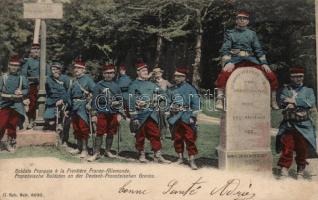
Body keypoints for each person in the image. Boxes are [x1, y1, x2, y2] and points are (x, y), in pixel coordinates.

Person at [215, 10, 279, 110]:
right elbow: (225, 49)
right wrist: (228, 62)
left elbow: (258, 49)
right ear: (236, 20)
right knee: (224, 74)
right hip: (236, 60)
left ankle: (273, 100)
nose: (242, 20)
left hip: (251, 60)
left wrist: (264, 63)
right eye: (239, 18)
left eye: (244, 19)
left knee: (270, 74)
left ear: (248, 21)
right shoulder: (230, 33)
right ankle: (219, 99)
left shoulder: (252, 34)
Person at [276, 67, 317, 179]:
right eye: (295, 76)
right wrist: (290, 103)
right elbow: (282, 101)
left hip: (304, 125)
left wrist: (294, 101)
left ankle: (301, 169)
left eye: (300, 76)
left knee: (302, 147)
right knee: (287, 146)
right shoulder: (286, 90)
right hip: (289, 124)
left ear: (303, 77)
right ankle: (284, 168)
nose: (298, 79)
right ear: (291, 78)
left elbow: (311, 102)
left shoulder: (309, 90)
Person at [128, 62, 171, 163]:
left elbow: (164, 94)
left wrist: (157, 99)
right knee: (140, 135)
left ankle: (158, 154)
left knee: (155, 134)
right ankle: (141, 154)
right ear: (138, 72)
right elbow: (130, 100)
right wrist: (133, 115)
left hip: (151, 114)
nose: (145, 72)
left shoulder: (152, 84)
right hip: (140, 115)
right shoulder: (133, 85)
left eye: (146, 71)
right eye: (143, 71)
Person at [87, 64, 123, 161]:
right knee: (100, 132)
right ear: (103, 74)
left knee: (111, 132)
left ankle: (107, 151)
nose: (109, 75)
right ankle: (96, 152)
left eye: (111, 73)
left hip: (113, 112)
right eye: (106, 73)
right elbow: (94, 101)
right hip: (101, 112)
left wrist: (119, 113)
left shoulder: (116, 86)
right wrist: (94, 114)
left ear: (114, 74)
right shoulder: (99, 85)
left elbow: (120, 100)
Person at [167, 67, 200, 170]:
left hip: (187, 117)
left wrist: (193, 116)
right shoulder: (172, 89)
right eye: (175, 76)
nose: (175, 78)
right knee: (177, 138)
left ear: (184, 77)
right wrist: (171, 108)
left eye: (178, 76)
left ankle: (191, 160)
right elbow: (167, 102)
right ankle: (180, 158)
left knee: (190, 139)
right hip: (175, 118)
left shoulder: (191, 89)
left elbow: (196, 104)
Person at [68, 58, 95, 159]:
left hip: (83, 106)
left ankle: (85, 149)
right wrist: (68, 106)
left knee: (83, 128)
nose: (76, 70)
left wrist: (90, 100)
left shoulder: (88, 80)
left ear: (83, 69)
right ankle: (79, 148)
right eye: (75, 68)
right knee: (76, 128)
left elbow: (95, 92)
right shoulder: (74, 81)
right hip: (74, 107)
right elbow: (69, 95)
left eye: (79, 68)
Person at [0, 55, 29, 152]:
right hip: (4, 103)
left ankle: (11, 142)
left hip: (16, 105)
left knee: (12, 124)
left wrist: (22, 92)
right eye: (12, 65)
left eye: (16, 66)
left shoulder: (21, 78)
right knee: (1, 123)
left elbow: (26, 89)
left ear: (19, 67)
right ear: (8, 66)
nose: (14, 67)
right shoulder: (3, 77)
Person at [43, 62, 71, 145]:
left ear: (60, 70)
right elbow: (47, 91)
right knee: (47, 118)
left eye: (56, 69)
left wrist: (63, 100)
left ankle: (64, 140)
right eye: (52, 69)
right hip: (52, 102)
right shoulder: (48, 79)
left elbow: (68, 91)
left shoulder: (65, 78)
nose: (54, 71)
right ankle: (53, 139)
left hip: (63, 102)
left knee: (65, 122)